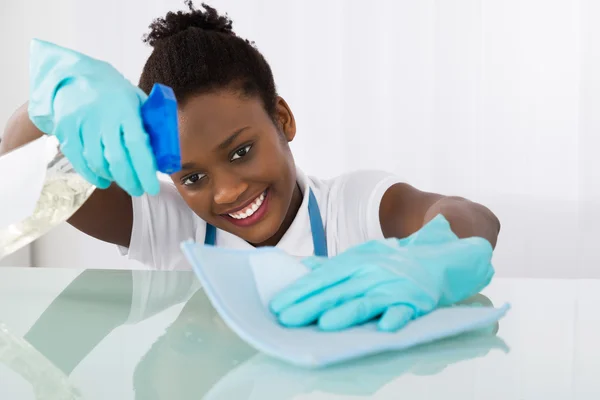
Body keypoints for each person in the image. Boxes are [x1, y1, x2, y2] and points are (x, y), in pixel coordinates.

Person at [0, 2, 500, 330]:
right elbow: (24, 187)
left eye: (240, 151)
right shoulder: (170, 226)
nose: (226, 192)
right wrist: (47, 106)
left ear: (281, 118)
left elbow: (468, 215)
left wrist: (430, 259)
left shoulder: (351, 206)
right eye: (193, 177)